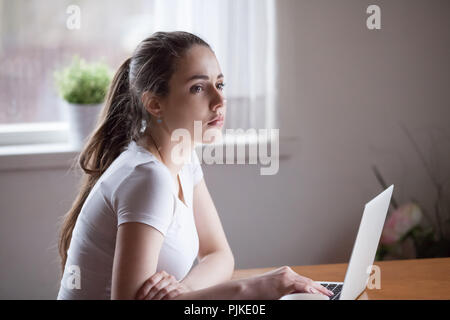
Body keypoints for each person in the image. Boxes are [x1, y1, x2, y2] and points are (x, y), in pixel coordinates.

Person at [57, 31, 333, 300]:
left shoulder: (183, 158)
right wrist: (255, 288)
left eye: (220, 84)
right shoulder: (148, 178)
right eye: (198, 88)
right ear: (154, 104)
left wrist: (183, 292)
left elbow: (219, 254)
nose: (219, 100)